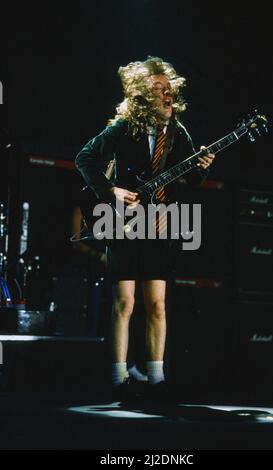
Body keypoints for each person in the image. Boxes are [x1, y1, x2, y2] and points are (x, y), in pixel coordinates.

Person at [75, 56, 215, 401]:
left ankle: (156, 377)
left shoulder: (177, 131)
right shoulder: (124, 127)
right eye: (157, 89)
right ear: (141, 94)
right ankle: (117, 377)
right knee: (124, 303)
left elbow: (190, 180)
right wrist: (110, 191)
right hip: (124, 220)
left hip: (160, 223)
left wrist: (203, 167)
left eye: (168, 89)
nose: (166, 95)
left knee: (158, 305)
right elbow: (84, 159)